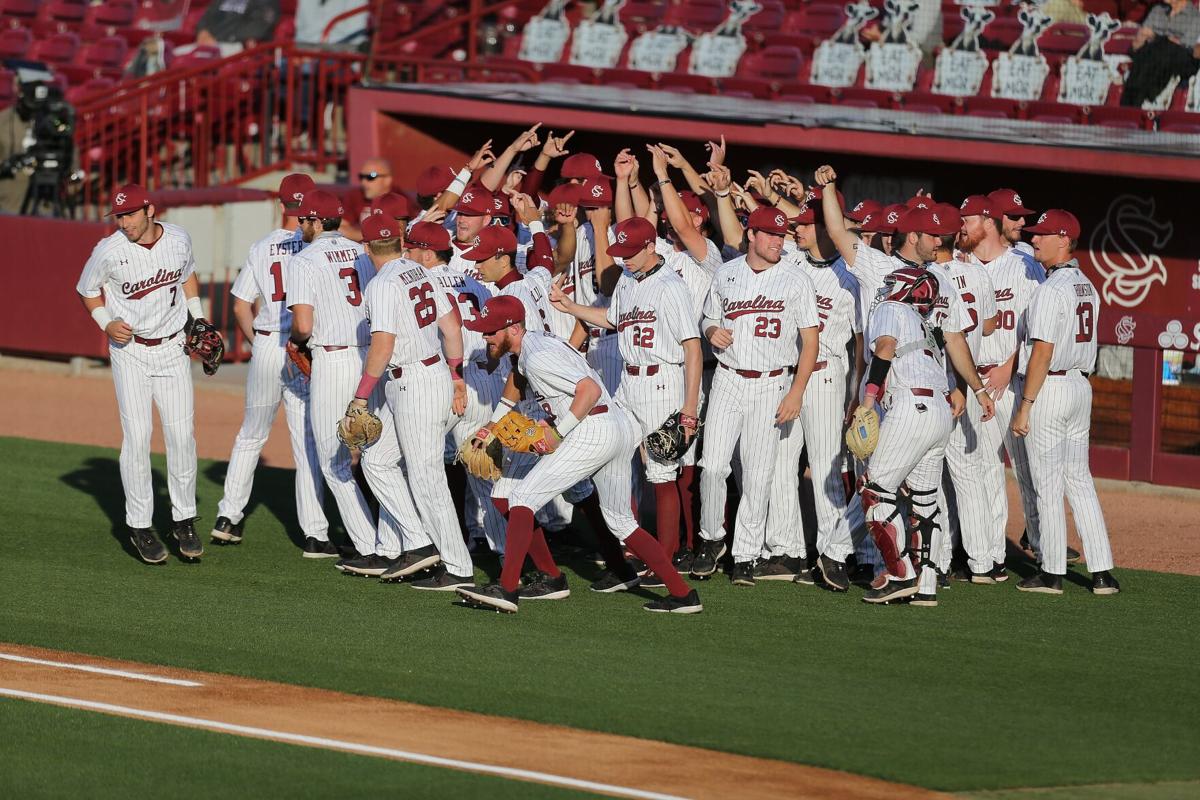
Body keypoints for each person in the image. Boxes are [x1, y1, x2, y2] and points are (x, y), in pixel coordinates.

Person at [454, 295, 704, 615]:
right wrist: (500, 423)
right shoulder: (536, 343)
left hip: (592, 429)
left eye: (490, 331)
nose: (485, 337)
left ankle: (507, 588)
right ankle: (683, 595)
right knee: (621, 522)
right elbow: (528, 378)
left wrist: (557, 433)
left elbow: (590, 390)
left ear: (513, 329)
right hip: (614, 427)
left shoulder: (538, 356)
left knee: (520, 499)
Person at [549, 216, 703, 581]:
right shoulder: (628, 281)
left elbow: (692, 348)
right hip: (628, 383)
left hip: (662, 381)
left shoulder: (671, 286)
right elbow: (612, 319)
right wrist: (571, 308)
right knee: (611, 460)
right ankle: (630, 552)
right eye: (622, 252)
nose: (626, 259)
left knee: (661, 471)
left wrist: (690, 408)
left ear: (651, 246)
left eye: (632, 252)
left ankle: (661, 561)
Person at [286, 190, 417, 577]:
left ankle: (369, 546)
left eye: (302, 219)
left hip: (334, 359)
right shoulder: (360, 250)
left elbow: (304, 326)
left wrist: (295, 342)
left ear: (312, 221)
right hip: (370, 355)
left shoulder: (304, 259)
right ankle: (393, 543)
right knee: (379, 456)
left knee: (335, 460)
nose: (299, 225)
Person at [75, 185, 205, 564]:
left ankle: (183, 519)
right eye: (119, 216)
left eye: (131, 213)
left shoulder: (178, 237)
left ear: (150, 209)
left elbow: (188, 275)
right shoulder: (109, 250)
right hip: (130, 352)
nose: (124, 222)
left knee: (182, 436)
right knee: (138, 437)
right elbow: (86, 290)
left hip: (173, 349)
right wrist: (105, 321)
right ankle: (140, 525)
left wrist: (197, 317)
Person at [694, 206, 821, 584]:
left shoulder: (795, 279)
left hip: (771, 381)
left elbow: (811, 341)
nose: (777, 241)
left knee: (757, 473)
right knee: (713, 466)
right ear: (751, 235)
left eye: (781, 235)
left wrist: (796, 391)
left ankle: (745, 556)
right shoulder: (726, 272)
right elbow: (707, 318)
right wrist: (710, 329)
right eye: (769, 234)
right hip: (728, 379)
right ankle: (711, 538)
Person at [353, 217, 477, 589]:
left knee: (427, 477)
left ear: (366, 247)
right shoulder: (418, 271)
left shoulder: (382, 284)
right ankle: (420, 542)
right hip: (431, 373)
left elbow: (383, 345)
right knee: (377, 460)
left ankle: (458, 567)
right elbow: (452, 326)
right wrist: (456, 373)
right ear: (401, 241)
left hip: (414, 383)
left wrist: (361, 396)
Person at [212, 173, 331, 555]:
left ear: (281, 206)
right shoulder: (319, 247)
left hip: (267, 345)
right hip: (304, 349)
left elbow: (239, 306)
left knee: (251, 435)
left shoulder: (263, 246)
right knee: (307, 441)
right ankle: (315, 534)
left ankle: (228, 516)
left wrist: (258, 343)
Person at [1011, 210, 1120, 596]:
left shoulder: (1051, 290)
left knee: (1048, 482)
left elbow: (1041, 351)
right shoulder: (1087, 285)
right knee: (1080, 480)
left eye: (1042, 235)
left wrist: (1025, 404)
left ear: (1063, 239)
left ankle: (1052, 572)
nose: (1034, 239)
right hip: (1079, 388)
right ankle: (1103, 573)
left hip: (1051, 389)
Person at [768, 194, 862, 589]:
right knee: (779, 463)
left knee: (825, 466)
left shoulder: (851, 273)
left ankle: (832, 554)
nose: (797, 228)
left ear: (827, 226)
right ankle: (786, 551)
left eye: (806, 223)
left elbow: (860, 343)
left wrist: (855, 395)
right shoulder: (789, 261)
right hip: (786, 376)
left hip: (826, 376)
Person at [956, 194, 1046, 579]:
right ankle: (991, 558)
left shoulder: (1025, 264)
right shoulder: (961, 266)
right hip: (975, 379)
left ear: (988, 223)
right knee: (984, 471)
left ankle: (1046, 554)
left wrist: (1011, 367)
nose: (961, 226)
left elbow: (1040, 328)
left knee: (1029, 472)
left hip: (1012, 379)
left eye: (968, 219)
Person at [1120, 0, 1200, 108]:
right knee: (1152, 50)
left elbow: (1185, 46)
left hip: (1181, 58)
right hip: (1153, 53)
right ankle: (1134, 101)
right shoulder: (1158, 10)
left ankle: (1143, 97)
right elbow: (1140, 39)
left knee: (1164, 48)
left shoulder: (1195, 16)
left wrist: (1157, 37)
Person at [340, 157, 394, 241]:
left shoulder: (399, 200)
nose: (364, 182)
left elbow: (396, 235)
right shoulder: (355, 196)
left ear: (387, 180)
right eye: (361, 177)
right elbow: (340, 228)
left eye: (371, 177)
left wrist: (355, 234)